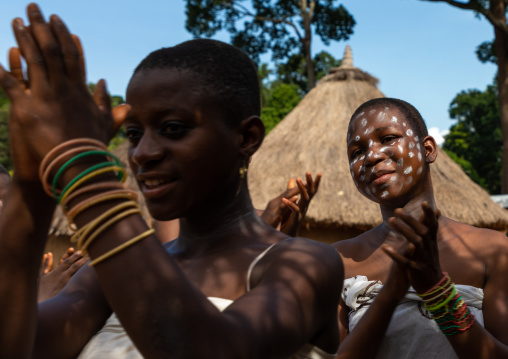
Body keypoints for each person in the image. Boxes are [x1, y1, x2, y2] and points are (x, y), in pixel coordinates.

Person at [0, 4, 342, 358]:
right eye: (133, 133)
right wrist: (30, 183)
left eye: (173, 129)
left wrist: (82, 166)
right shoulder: (107, 277)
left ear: (246, 138)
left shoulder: (304, 263)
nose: (142, 152)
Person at [333, 97, 508, 358]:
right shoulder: (338, 261)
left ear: (428, 150)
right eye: (357, 152)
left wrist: (438, 293)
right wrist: (390, 294)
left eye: (388, 138)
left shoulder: (493, 251)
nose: (372, 155)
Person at [153, 174, 322, 242]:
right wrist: (262, 228)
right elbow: (181, 282)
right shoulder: (176, 218)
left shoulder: (270, 215)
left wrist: (290, 230)